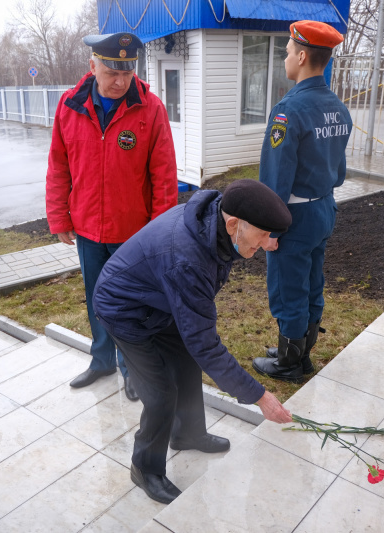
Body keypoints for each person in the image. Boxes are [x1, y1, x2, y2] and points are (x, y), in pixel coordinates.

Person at [92, 179, 294, 504]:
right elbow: (206, 344)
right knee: (160, 395)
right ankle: (144, 468)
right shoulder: (187, 258)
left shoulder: (213, 225)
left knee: (187, 365)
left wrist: (260, 239)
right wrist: (259, 396)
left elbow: (196, 341)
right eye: (264, 237)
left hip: (160, 300)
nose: (271, 245)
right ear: (233, 224)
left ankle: (188, 434)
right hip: (125, 311)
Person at [46, 32, 177, 401]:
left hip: (134, 233)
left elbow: (164, 175)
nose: (121, 81)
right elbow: (59, 166)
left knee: (132, 305)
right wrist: (59, 217)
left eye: (128, 71)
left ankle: (132, 369)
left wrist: (161, 230)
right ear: (92, 66)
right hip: (88, 228)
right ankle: (102, 360)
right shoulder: (69, 106)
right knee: (95, 299)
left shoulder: (150, 108)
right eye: (111, 71)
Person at [252, 21, 353, 384]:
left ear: (303, 55)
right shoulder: (338, 108)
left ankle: (290, 363)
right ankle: (298, 351)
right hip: (323, 209)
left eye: (288, 52)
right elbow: (338, 171)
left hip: (292, 215)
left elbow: (275, 178)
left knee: (288, 289)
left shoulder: (288, 110)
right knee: (312, 282)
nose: (285, 58)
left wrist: (269, 228)